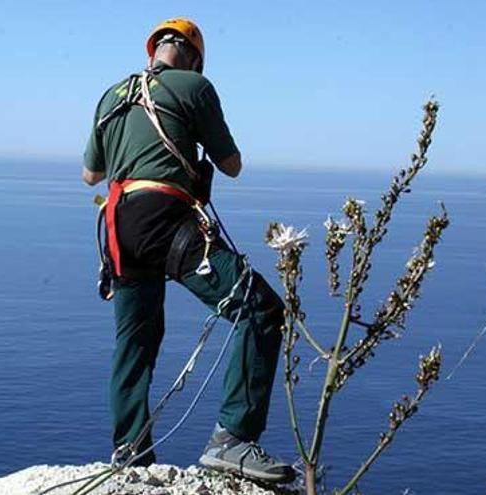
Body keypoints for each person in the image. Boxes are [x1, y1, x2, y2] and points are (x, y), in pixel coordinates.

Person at [81, 17, 295, 484]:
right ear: (194, 59)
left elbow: (90, 175)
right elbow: (232, 165)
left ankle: (129, 454)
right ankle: (233, 440)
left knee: (135, 340)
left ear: (152, 51)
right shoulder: (195, 88)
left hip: (117, 226)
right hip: (163, 217)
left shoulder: (111, 95)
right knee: (258, 309)